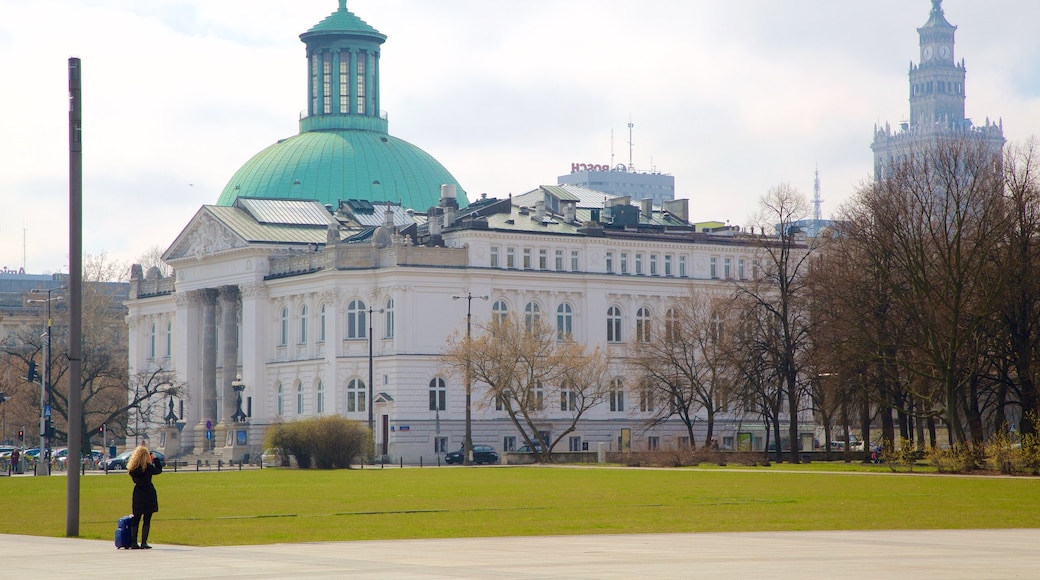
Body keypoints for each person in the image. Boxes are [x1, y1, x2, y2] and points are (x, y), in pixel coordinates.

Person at [126, 445, 162, 549]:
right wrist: (155, 459)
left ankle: (133, 542)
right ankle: (144, 542)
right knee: (147, 519)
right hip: (148, 492)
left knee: (136, 518)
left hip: (138, 492)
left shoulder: (133, 469)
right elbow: (159, 470)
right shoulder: (148, 468)